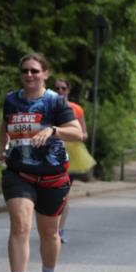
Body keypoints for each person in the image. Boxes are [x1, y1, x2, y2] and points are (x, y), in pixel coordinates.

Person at [0, 55, 82, 272]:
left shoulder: (55, 101)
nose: (29, 75)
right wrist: (1, 146)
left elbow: (77, 132)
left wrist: (53, 130)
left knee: (49, 233)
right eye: (25, 70)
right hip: (18, 173)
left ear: (46, 73)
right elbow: (5, 123)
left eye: (34, 71)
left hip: (52, 175)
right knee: (20, 226)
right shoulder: (12, 100)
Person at [53, 78, 87, 244]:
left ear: (68, 90)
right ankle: (50, 228)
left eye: (63, 88)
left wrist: (69, 135)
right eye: (57, 88)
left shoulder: (76, 109)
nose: (60, 91)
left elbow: (84, 133)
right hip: (50, 153)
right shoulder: (46, 105)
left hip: (70, 154)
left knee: (64, 194)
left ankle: (60, 229)